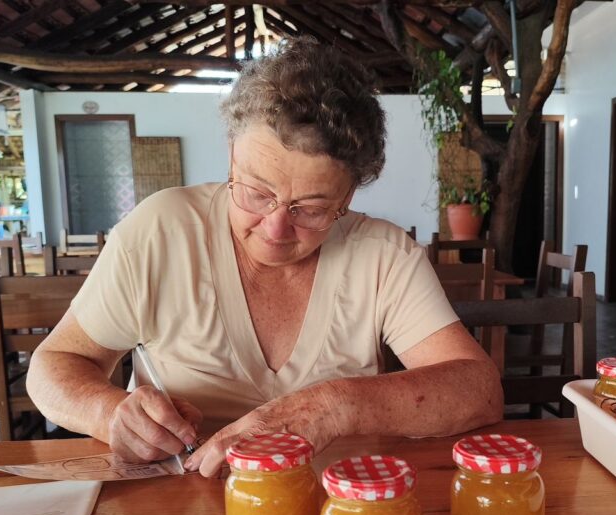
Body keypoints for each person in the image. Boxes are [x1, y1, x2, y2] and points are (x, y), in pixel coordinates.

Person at [27, 37, 503, 478]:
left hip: (334, 505)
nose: (275, 228)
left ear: (349, 195)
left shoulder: (383, 255)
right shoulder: (161, 231)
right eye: (256, 192)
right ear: (232, 154)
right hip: (177, 503)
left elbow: (478, 390)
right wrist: (109, 413)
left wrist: (334, 406)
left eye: (312, 209)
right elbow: (55, 365)